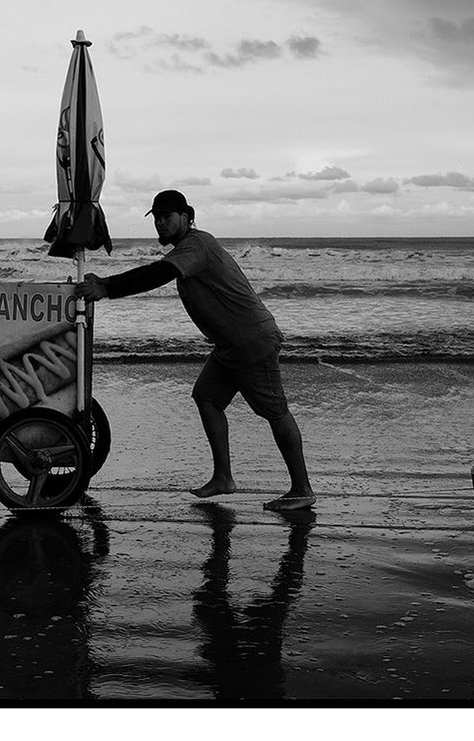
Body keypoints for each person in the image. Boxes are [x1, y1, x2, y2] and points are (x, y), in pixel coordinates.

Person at [76, 190, 315, 511]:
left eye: (167, 217)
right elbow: (158, 270)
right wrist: (105, 282)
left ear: (187, 217)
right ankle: (223, 478)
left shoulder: (196, 245)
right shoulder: (187, 248)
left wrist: (105, 287)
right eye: (157, 218)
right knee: (207, 397)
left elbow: (158, 274)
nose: (161, 223)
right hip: (229, 345)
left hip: (251, 342)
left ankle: (302, 489)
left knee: (275, 412)